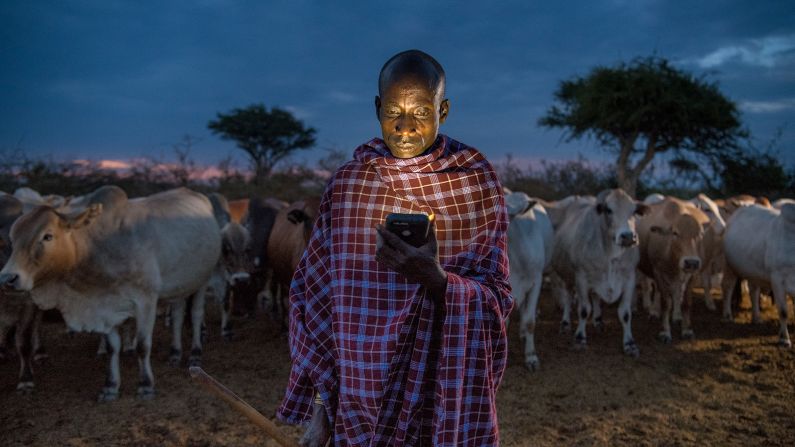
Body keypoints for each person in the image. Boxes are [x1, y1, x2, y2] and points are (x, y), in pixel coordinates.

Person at [277, 49, 513, 446]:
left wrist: (437, 281)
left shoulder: (474, 183)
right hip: (355, 411)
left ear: (445, 110)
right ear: (376, 108)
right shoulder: (349, 186)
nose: (405, 127)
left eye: (422, 112)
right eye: (393, 112)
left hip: (435, 404)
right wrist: (320, 414)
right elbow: (315, 313)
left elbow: (497, 301)